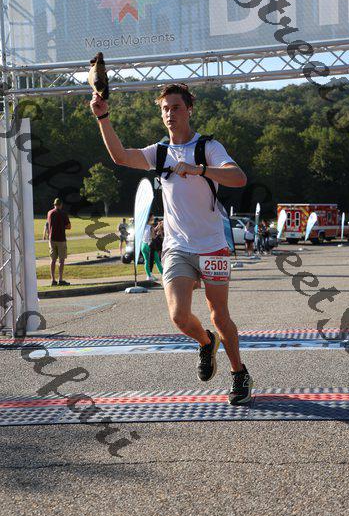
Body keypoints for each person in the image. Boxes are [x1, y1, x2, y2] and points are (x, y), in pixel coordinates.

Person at [91, 82, 253, 405]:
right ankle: (206, 343)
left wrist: (200, 169)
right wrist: (103, 117)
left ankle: (239, 373)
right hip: (177, 246)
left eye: (176, 107)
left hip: (212, 245)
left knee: (219, 315)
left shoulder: (208, 147)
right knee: (179, 315)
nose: (169, 114)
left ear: (189, 109)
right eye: (165, 109)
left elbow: (239, 178)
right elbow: (121, 157)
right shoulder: (160, 152)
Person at [43, 198, 71, 286]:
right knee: (61, 260)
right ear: (61, 205)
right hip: (61, 239)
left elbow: (47, 224)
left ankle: (53, 280)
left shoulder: (49, 213)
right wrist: (62, 226)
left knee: (53, 260)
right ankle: (60, 279)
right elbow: (69, 226)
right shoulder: (63, 213)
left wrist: (45, 234)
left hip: (52, 239)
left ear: (54, 204)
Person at [142, 213, 163, 280]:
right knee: (157, 260)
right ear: (150, 218)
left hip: (143, 245)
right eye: (153, 217)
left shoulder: (144, 226)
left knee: (146, 261)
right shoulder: (150, 227)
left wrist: (158, 226)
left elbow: (150, 231)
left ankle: (149, 276)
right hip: (149, 245)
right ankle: (163, 274)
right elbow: (153, 237)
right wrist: (158, 234)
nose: (153, 218)